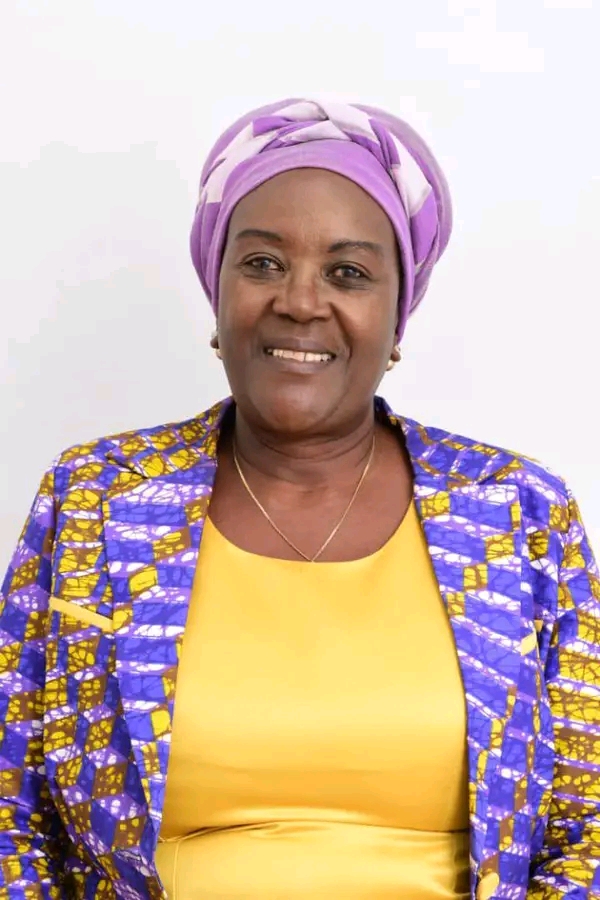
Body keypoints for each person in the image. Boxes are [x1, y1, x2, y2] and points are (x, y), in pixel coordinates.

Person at [0, 98, 598, 900]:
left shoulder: (517, 512)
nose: (300, 302)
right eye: (263, 263)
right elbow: (11, 811)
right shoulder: (95, 499)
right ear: (217, 291)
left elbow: (588, 825)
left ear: (397, 315)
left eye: (348, 273)